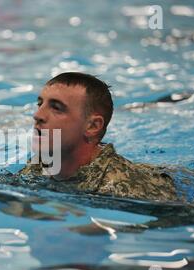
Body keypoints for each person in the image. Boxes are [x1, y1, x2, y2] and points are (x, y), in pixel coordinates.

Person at [17, 72, 179, 202]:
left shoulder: (121, 188)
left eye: (57, 108)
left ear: (92, 126)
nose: (37, 115)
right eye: (40, 104)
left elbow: (187, 216)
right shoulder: (41, 163)